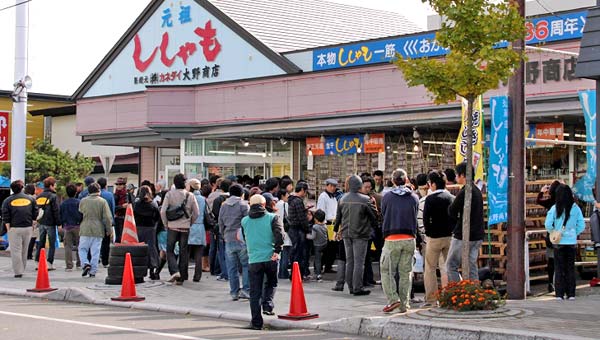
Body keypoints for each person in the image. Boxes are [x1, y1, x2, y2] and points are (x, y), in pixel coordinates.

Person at [380, 169, 419, 313]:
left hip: (392, 238)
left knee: (387, 271)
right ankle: (404, 304)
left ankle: (393, 300)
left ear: (393, 181)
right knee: (406, 272)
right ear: (406, 180)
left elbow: (383, 214)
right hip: (410, 238)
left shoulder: (387, 197)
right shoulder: (414, 197)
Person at [242, 194, 283, 330]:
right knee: (271, 283)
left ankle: (256, 322)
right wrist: (277, 251)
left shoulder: (244, 221)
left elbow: (245, 237)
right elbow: (280, 235)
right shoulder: (272, 218)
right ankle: (268, 305)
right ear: (264, 205)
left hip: (254, 259)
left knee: (255, 292)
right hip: (271, 257)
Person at [335, 175, 378, 296]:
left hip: (346, 233)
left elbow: (338, 218)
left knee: (350, 261)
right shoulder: (365, 199)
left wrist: (336, 230)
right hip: (361, 233)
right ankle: (358, 287)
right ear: (359, 185)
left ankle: (350, 286)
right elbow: (375, 216)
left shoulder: (342, 199)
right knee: (359, 262)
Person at [545, 184, 585, 300]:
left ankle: (559, 294)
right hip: (571, 242)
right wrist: (573, 233)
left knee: (559, 268)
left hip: (558, 243)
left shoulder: (554, 208)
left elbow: (548, 224)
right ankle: (571, 294)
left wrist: (553, 232)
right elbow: (581, 225)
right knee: (570, 268)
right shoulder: (576, 208)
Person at [446, 162, 485, 282]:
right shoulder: (477, 191)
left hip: (463, 234)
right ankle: (474, 292)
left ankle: (457, 292)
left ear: (463, 175)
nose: (456, 178)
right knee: (471, 265)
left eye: (457, 175)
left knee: (451, 265)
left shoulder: (465, 191)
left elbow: (452, 210)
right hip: (478, 234)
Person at [160, 173, 199, 285]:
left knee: (170, 251)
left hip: (172, 227)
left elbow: (163, 211)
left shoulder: (169, 194)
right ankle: (181, 278)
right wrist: (190, 222)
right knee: (183, 252)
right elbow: (197, 213)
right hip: (185, 228)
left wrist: (166, 223)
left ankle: (175, 271)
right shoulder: (190, 195)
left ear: (174, 183)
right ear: (185, 183)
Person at [422, 170, 454, 306]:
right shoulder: (451, 198)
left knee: (430, 268)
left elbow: (425, 219)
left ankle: (431, 299)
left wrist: (428, 233)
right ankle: (450, 296)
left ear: (433, 184)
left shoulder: (430, 199)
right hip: (449, 237)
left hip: (434, 237)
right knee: (448, 267)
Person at [219, 184, 250, 299]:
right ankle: (246, 290)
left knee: (232, 267)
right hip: (242, 239)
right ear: (242, 194)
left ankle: (234, 292)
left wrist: (223, 235)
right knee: (246, 265)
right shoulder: (244, 205)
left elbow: (220, 223)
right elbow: (248, 222)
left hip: (228, 238)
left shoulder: (224, 206)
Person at [2, 180, 37, 278]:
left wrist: (8, 228)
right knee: (24, 250)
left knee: (15, 250)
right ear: (22, 188)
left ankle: (18, 271)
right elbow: (35, 211)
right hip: (27, 227)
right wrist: (33, 222)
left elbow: (5, 215)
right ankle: (23, 268)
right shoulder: (30, 199)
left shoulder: (7, 200)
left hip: (14, 228)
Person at [78, 183, 113, 278]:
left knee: (82, 249)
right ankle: (93, 271)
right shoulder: (102, 201)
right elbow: (107, 217)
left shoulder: (83, 201)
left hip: (85, 227)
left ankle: (85, 263)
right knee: (95, 251)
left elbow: (80, 214)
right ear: (99, 191)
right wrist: (109, 230)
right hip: (98, 229)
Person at [537, 180, 561, 292]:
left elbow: (539, 200)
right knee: (563, 261)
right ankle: (562, 284)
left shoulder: (550, 203)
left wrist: (542, 192)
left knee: (551, 261)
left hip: (552, 237)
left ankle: (551, 283)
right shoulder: (568, 202)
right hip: (565, 237)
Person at [133, 185, 160, 280]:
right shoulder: (153, 204)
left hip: (139, 228)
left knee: (140, 249)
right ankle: (153, 269)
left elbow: (133, 214)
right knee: (151, 248)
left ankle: (139, 270)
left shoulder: (137, 204)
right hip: (150, 228)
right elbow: (157, 217)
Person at [35, 176, 61, 271]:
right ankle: (49, 262)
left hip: (41, 222)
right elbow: (56, 211)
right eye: (54, 185)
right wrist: (59, 223)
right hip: (50, 222)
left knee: (41, 242)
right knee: (52, 243)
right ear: (51, 185)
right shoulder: (53, 196)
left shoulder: (39, 196)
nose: (55, 186)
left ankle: (37, 261)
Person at [287, 181, 311, 278]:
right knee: (298, 253)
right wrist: (307, 228)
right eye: (305, 192)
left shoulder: (291, 199)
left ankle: (294, 273)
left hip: (292, 229)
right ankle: (297, 274)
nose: (305, 194)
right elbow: (302, 219)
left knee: (294, 252)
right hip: (298, 230)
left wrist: (304, 209)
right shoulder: (298, 201)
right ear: (302, 190)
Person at [316, 178, 339, 274]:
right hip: (326, 223)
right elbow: (320, 211)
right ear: (327, 186)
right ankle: (320, 267)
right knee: (325, 247)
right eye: (331, 186)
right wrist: (322, 224)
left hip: (333, 224)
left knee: (333, 248)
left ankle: (328, 266)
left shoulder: (334, 197)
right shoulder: (323, 196)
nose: (333, 188)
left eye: (334, 186)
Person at [211, 178, 231, 281]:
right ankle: (229, 272)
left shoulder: (218, 200)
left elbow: (215, 214)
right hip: (233, 228)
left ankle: (225, 273)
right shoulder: (233, 199)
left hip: (221, 227)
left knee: (222, 252)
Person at [188, 178, 207, 282]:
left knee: (185, 251)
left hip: (189, 226)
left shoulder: (188, 197)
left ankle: (183, 274)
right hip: (200, 226)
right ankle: (197, 276)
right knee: (198, 254)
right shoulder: (203, 199)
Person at [60, 183, 83, 272]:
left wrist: (62, 223)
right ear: (75, 192)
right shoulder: (79, 202)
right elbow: (82, 214)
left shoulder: (63, 203)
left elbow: (61, 215)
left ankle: (69, 265)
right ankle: (79, 263)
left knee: (68, 246)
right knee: (80, 245)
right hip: (78, 225)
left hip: (67, 226)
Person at [96, 177, 115, 267]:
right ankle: (105, 261)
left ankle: (96, 258)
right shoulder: (109, 195)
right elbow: (112, 208)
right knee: (106, 242)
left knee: (96, 242)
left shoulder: (95, 195)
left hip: (96, 221)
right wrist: (111, 222)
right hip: (106, 221)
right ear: (106, 185)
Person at [275, 189, 291, 279]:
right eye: (287, 195)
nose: (288, 197)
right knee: (286, 252)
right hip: (286, 230)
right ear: (283, 195)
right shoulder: (285, 205)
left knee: (280, 252)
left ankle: (280, 272)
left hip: (278, 230)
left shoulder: (276, 204)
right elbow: (289, 216)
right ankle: (283, 272)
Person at [311, 209, 328, 282]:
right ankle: (319, 270)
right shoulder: (325, 226)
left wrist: (306, 236)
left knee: (317, 260)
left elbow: (313, 237)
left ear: (315, 219)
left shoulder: (315, 227)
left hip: (317, 245)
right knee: (321, 259)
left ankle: (318, 274)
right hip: (324, 244)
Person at [24, 183, 38, 261]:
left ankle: (26, 253)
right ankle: (28, 254)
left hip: (23, 220)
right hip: (32, 220)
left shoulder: (24, 198)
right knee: (32, 237)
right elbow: (36, 210)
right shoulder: (34, 198)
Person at [113, 177, 128, 244]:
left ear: (124, 185)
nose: (119, 186)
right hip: (118, 217)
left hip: (126, 218)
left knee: (125, 237)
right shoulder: (115, 195)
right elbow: (113, 207)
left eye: (121, 184)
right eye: (117, 184)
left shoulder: (126, 194)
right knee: (119, 237)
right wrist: (122, 206)